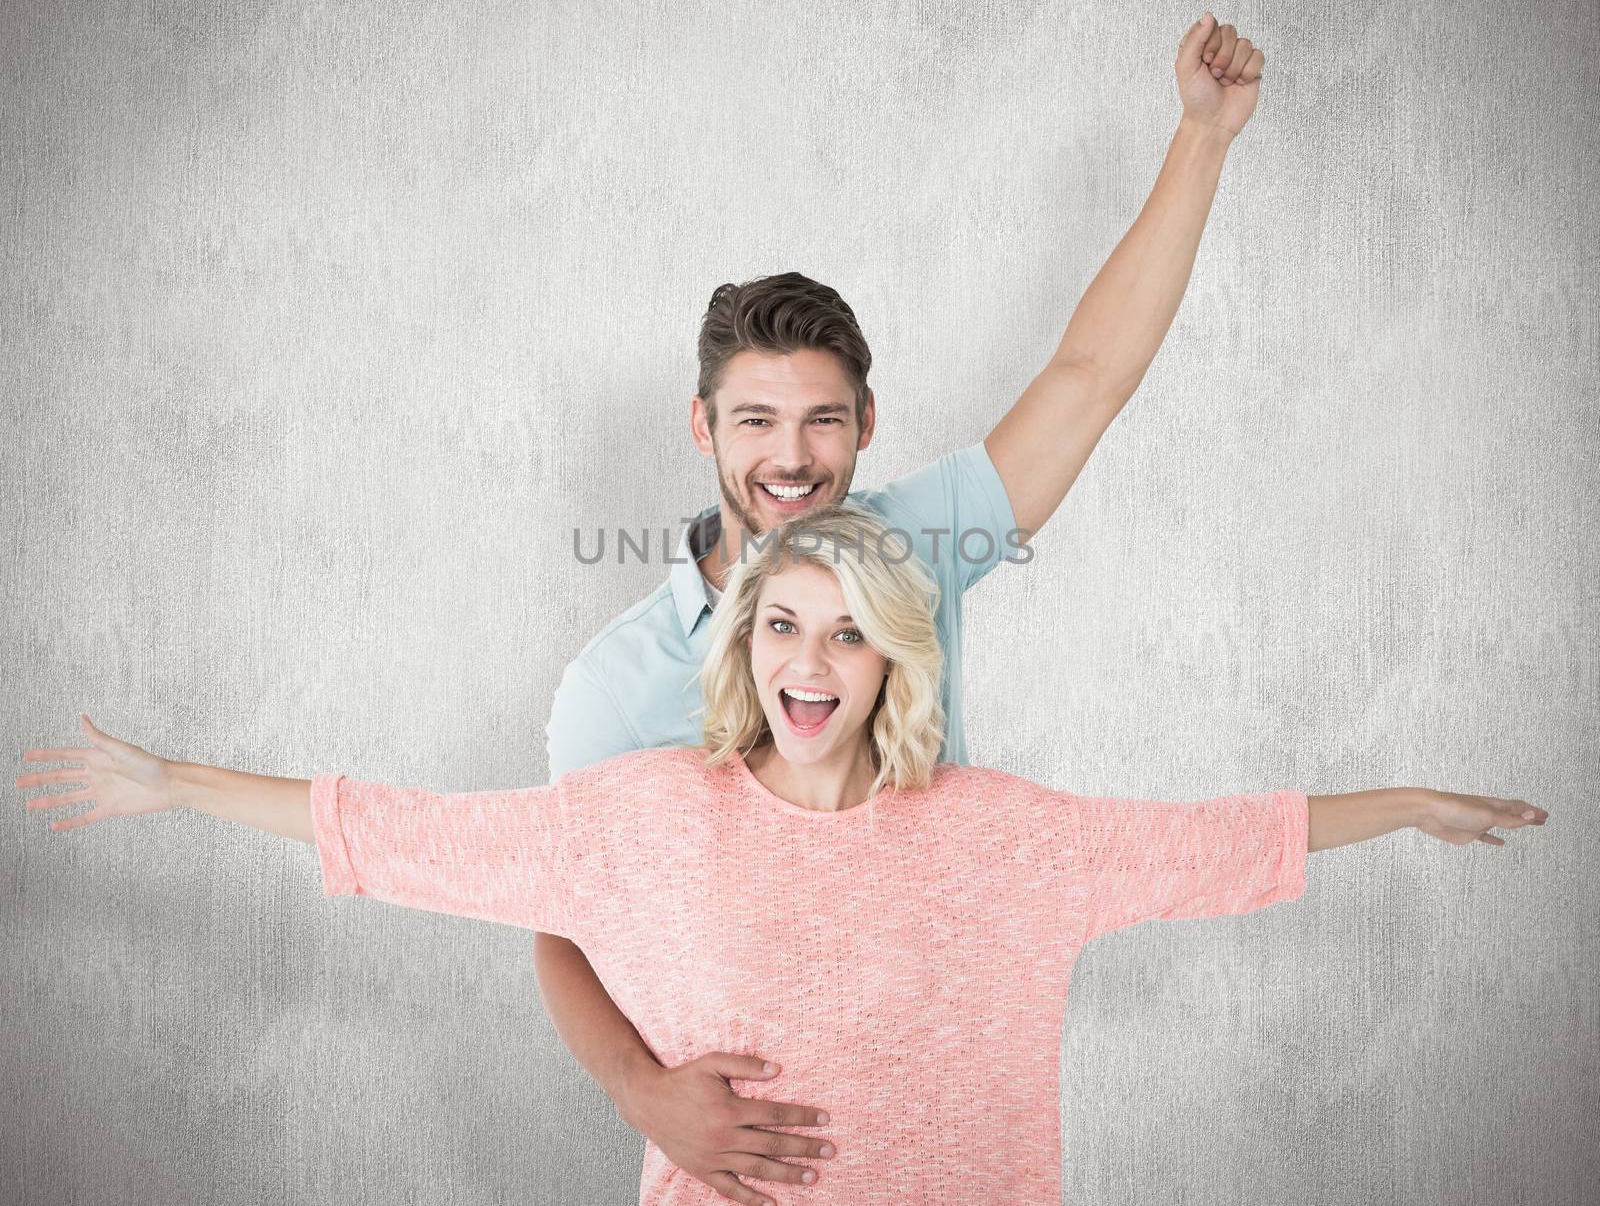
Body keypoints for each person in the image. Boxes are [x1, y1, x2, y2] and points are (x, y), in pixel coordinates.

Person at [18, 504, 1548, 1206]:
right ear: (749, 647)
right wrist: (178, 783)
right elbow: (399, 831)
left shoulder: (1002, 832)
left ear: (893, 661)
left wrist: (1406, 801)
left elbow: (1228, 843)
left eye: (847, 633)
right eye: (781, 624)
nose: (812, 662)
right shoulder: (649, 813)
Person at [537, 10, 1267, 1200]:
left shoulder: (919, 544)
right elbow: (561, 919)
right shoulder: (612, 685)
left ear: (865, 427)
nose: (790, 457)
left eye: (822, 419)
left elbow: (1088, 380)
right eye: (755, 421)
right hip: (756, 1172)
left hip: (953, 1142)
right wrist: (638, 1087)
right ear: (701, 427)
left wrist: (1201, 138)